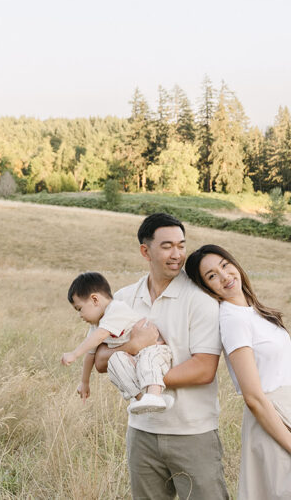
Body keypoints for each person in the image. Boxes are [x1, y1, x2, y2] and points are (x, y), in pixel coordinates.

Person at [94, 213, 228, 500]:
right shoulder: (122, 299)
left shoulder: (201, 301)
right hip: (141, 432)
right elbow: (100, 362)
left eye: (181, 245)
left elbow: (204, 370)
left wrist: (143, 376)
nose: (177, 254)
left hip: (193, 432)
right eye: (167, 246)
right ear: (146, 251)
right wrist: (133, 346)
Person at [185, 244, 291, 499]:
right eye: (211, 276)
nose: (224, 276)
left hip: (290, 414)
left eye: (224, 265)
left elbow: (282, 377)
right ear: (206, 287)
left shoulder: (253, 311)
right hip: (271, 423)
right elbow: (254, 397)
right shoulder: (233, 320)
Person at [60, 271, 175, 415]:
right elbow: (90, 355)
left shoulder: (116, 309)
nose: (80, 316)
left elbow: (100, 336)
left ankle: (154, 395)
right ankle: (142, 399)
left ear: (95, 299)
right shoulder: (96, 326)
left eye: (80, 309)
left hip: (155, 350)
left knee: (148, 358)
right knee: (115, 362)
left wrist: (74, 354)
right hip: (135, 359)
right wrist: (84, 382)